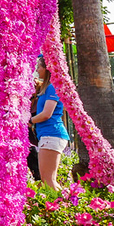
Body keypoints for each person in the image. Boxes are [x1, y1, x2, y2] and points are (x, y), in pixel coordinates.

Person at [30, 55, 70, 191]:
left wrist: (29, 121)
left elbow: (47, 113)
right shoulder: (46, 88)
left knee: (49, 181)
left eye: (39, 67)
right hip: (47, 135)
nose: (37, 69)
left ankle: (63, 208)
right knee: (48, 180)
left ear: (47, 69)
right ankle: (63, 206)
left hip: (52, 134)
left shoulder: (52, 87)